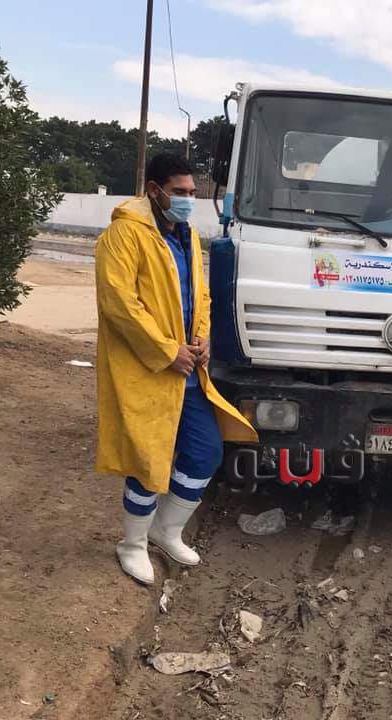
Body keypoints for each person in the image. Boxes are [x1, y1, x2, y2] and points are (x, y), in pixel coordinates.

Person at [95, 153, 257, 585]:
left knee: (206, 452)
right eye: (179, 192)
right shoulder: (124, 234)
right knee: (149, 459)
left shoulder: (186, 235)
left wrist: (202, 338)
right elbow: (119, 303)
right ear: (154, 190)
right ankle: (132, 544)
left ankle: (166, 531)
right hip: (149, 369)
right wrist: (167, 351)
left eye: (191, 192)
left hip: (188, 371)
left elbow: (199, 295)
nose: (188, 199)